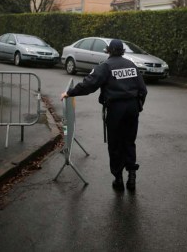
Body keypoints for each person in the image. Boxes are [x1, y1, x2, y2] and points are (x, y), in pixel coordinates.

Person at [61, 39, 147, 191]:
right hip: (132, 108)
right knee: (129, 141)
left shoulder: (106, 66)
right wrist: (138, 107)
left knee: (115, 144)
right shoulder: (131, 65)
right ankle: (132, 176)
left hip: (116, 109)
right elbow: (143, 90)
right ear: (122, 50)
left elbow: (89, 85)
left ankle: (118, 179)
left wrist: (69, 93)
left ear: (108, 51)